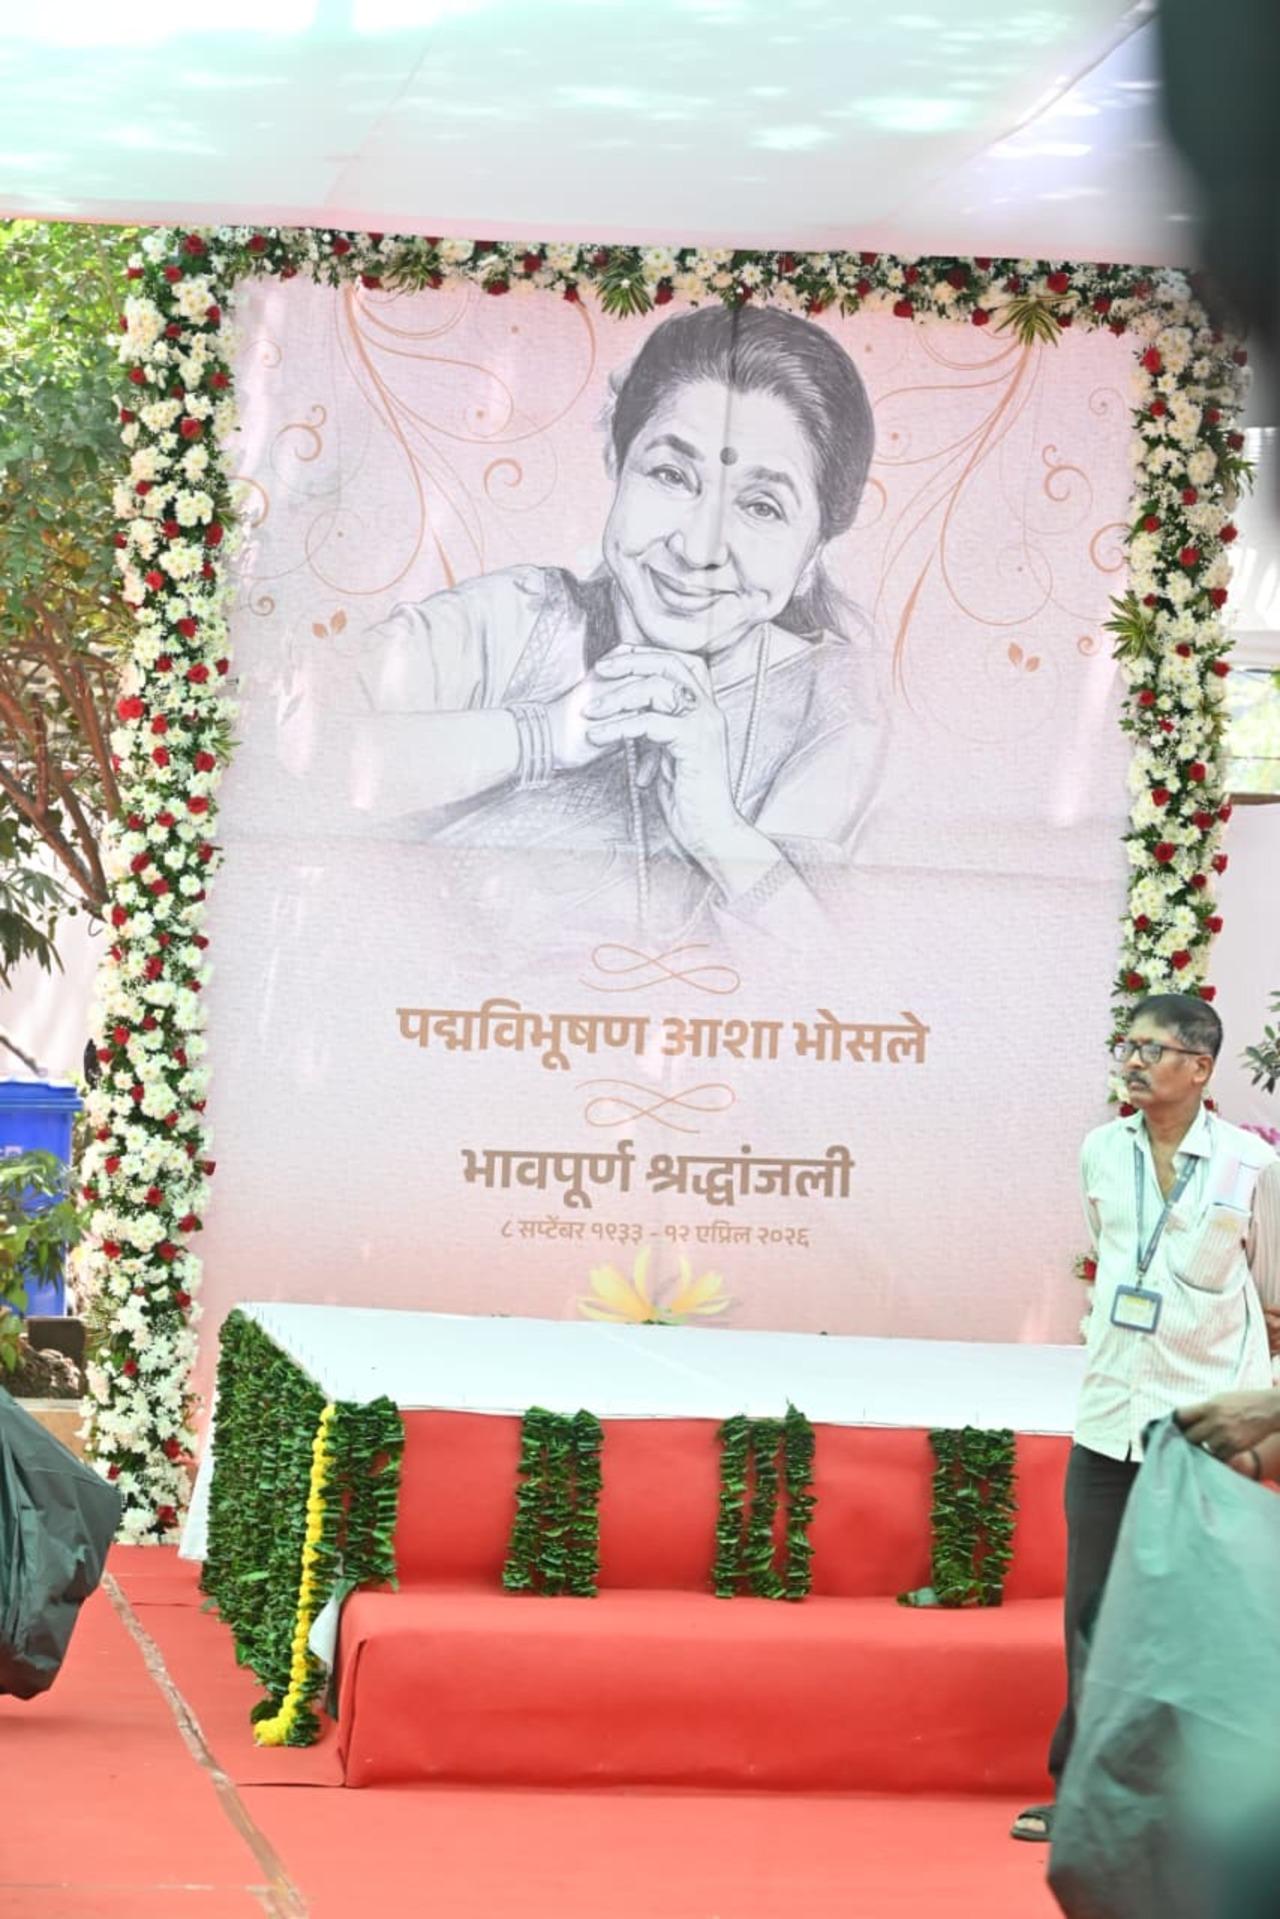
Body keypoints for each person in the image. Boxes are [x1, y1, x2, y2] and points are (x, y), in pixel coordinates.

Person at [330, 303, 886, 951]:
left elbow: (839, 981)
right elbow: (288, 763)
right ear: (617, 464)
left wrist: (719, 833)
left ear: (815, 548)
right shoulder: (519, 619)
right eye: (672, 475)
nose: (700, 547)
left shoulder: (837, 707)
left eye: (762, 506)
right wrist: (547, 733)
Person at [1010, 992, 1280, 1844]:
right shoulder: (1101, 1150)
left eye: (1154, 1049)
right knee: (1093, 1615)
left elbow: (1263, 1282)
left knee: (1199, 1620)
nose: (1132, 1060)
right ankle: (1088, 1796)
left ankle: (1201, 1802)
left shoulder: (1246, 1164)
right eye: (1127, 1045)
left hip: (1204, 1432)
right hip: (1109, 1417)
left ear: (1200, 1068)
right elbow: (1111, 1247)